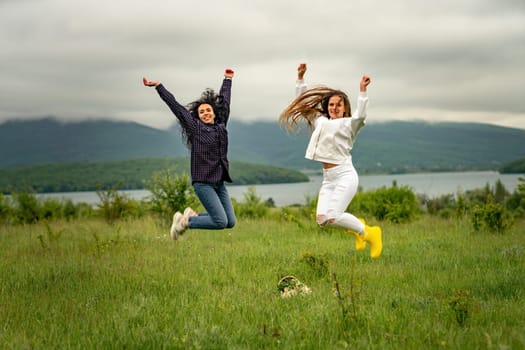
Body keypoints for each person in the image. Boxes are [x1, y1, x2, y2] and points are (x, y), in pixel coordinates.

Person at [279, 63, 382, 258]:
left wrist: (362, 91)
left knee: (334, 216)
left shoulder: (350, 124)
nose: (334, 108)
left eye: (339, 105)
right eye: (331, 105)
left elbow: (361, 115)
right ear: (327, 107)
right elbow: (302, 103)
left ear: (345, 108)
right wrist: (300, 78)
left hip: (345, 175)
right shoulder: (320, 120)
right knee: (322, 220)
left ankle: (370, 233)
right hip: (329, 178)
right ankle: (357, 227)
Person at [143, 69, 236, 240]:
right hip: (203, 183)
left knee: (230, 222)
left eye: (208, 110)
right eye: (202, 112)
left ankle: (189, 216)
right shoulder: (195, 128)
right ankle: (185, 223)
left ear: (214, 112)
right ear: (198, 116)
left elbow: (225, 102)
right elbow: (177, 108)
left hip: (219, 182)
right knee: (220, 222)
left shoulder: (221, 126)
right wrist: (159, 87)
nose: (206, 113)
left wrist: (227, 80)